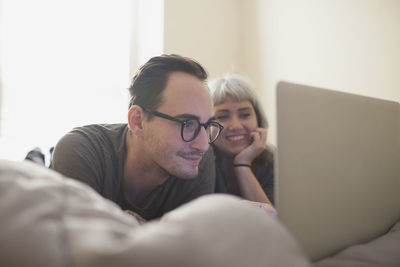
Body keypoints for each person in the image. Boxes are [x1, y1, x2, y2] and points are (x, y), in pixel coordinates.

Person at [50, 54, 224, 221]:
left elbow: (191, 246)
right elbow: (79, 243)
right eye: (187, 124)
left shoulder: (198, 160)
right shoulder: (81, 149)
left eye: (208, 125)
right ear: (138, 121)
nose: (203, 145)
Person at [208, 74, 274, 205]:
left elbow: (269, 221)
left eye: (245, 115)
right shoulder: (196, 163)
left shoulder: (274, 161)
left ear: (258, 119)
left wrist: (242, 164)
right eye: (222, 117)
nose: (236, 126)